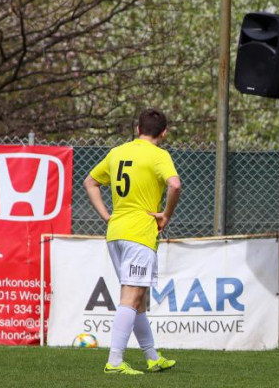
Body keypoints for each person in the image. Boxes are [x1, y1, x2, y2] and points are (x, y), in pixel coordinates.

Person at [83, 108, 181, 375]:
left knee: (139, 300)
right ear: (163, 132)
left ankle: (152, 357)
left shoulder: (117, 153)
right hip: (139, 234)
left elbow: (90, 182)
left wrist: (106, 216)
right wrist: (166, 216)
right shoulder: (159, 155)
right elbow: (175, 185)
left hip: (116, 233)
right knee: (131, 297)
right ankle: (114, 362)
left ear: (137, 129)